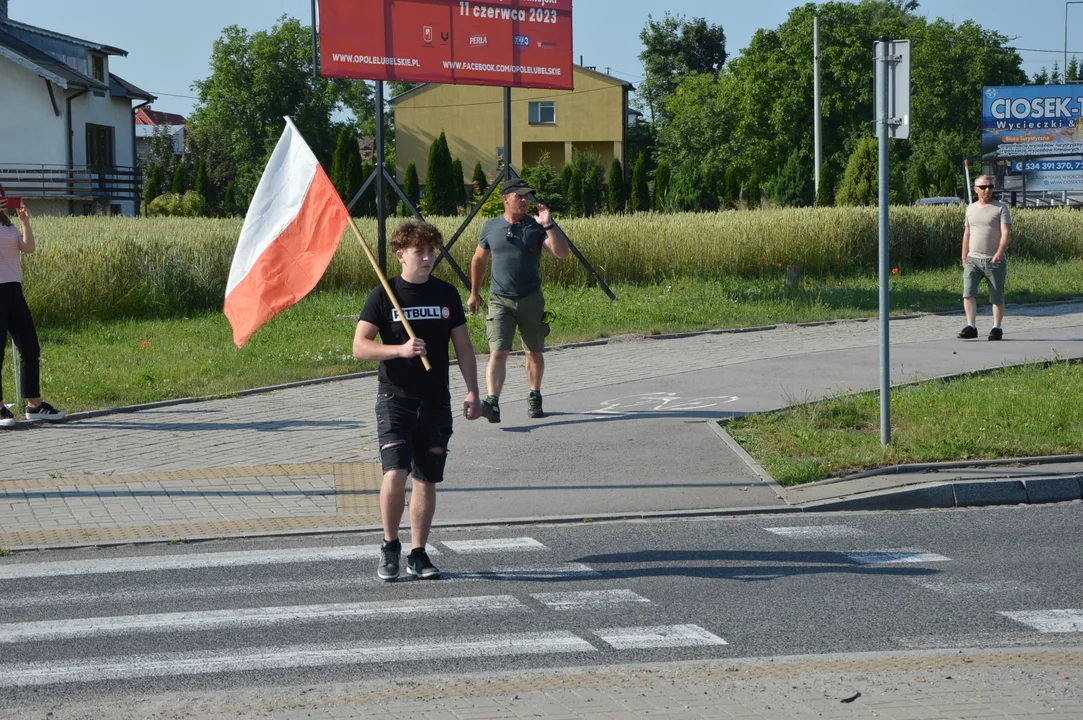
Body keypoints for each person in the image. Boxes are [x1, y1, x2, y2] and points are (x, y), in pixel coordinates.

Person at [353, 220, 481, 581]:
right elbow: (359, 346)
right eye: (419, 252)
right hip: (396, 398)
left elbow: (464, 347)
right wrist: (400, 349)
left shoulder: (446, 294)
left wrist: (473, 391)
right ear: (400, 255)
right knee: (396, 472)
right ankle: (390, 545)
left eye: (431, 252)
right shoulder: (384, 294)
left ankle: (418, 553)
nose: (427, 258)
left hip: (436, 400)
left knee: (426, 479)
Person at [467, 178, 570, 422]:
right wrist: (474, 293)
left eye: (527, 197)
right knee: (498, 352)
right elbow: (479, 261)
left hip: (531, 299)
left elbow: (561, 253)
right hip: (499, 300)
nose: (525, 200)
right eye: (520, 196)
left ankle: (535, 394)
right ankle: (492, 402)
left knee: (533, 351)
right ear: (506, 199)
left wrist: (549, 225)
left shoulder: (536, 227)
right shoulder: (491, 227)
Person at [0, 191, 65, 428]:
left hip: (14, 291)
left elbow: (28, 248)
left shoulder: (8, 226)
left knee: (30, 347)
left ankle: (34, 406)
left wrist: (25, 223)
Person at [957, 175, 1011, 341]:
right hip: (973, 258)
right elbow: (967, 232)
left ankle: (996, 328)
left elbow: (1006, 232)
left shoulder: (1000, 208)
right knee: (968, 293)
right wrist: (964, 255)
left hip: (993, 259)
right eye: (983, 187)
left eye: (990, 186)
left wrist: (1000, 252)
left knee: (996, 295)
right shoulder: (970, 209)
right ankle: (971, 326)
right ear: (976, 190)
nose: (987, 190)